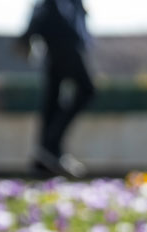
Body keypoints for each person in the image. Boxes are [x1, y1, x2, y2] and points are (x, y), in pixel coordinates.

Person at [17, 0, 95, 177]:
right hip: (63, 45)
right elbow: (43, 12)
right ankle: (50, 147)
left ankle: (46, 152)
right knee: (87, 90)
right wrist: (28, 35)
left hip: (58, 46)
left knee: (53, 99)